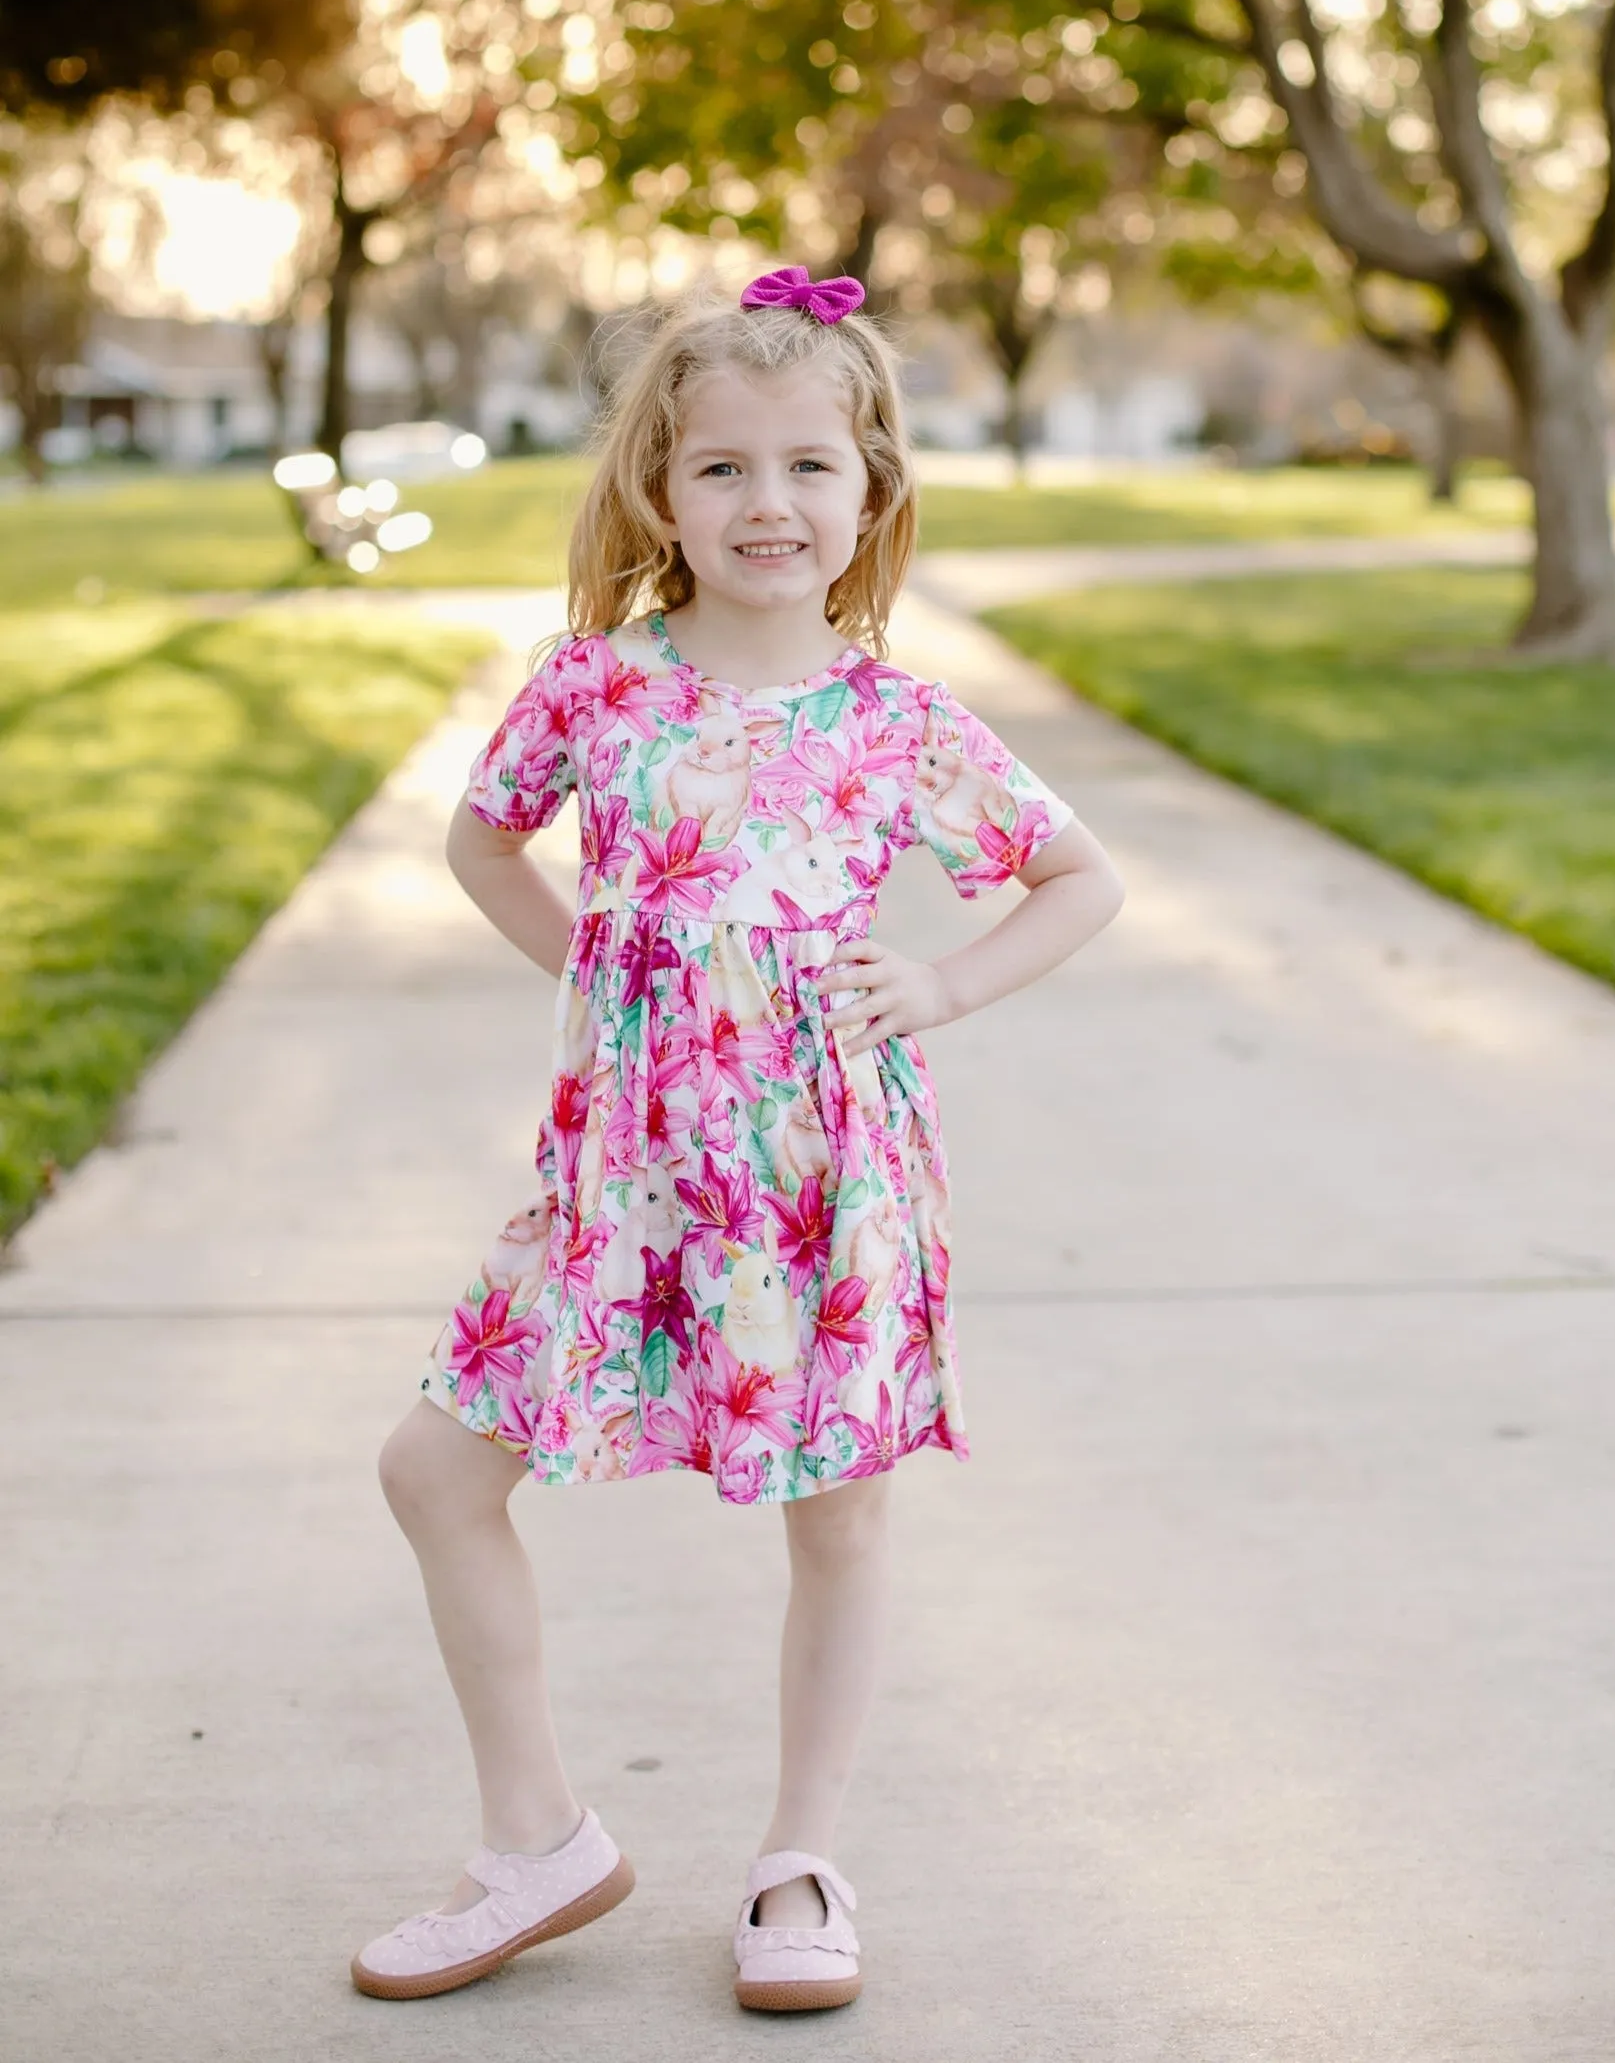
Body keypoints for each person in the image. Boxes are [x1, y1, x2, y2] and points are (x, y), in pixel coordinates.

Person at [352, 266, 1123, 2011]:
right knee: (434, 1467)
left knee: (838, 1522)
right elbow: (485, 847)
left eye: (808, 469)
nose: (767, 504)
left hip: (825, 1189)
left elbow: (1083, 878)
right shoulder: (595, 690)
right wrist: (611, 987)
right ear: (657, 492)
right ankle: (536, 1841)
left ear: (871, 498)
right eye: (722, 471)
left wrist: (941, 985)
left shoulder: (898, 723)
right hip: (614, 1179)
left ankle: (799, 1860)